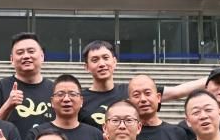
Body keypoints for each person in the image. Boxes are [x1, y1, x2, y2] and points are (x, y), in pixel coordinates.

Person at [78, 42, 207, 129]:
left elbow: (177, 92)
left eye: (106, 58)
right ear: (86, 67)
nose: (101, 64)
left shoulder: (132, 91)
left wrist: (212, 78)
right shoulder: (79, 99)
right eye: (95, 60)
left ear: (115, 62)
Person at [24, 75, 103, 140]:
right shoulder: (37, 134)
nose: (66, 99)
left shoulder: (96, 135)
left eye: (72, 94)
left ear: (81, 101)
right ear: (52, 101)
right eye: (60, 94)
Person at [0, 33, 54, 132]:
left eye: (31, 51)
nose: (26, 56)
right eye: (20, 52)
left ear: (42, 56)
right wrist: (8, 105)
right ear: (12, 59)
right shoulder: (0, 87)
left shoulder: (54, 89)